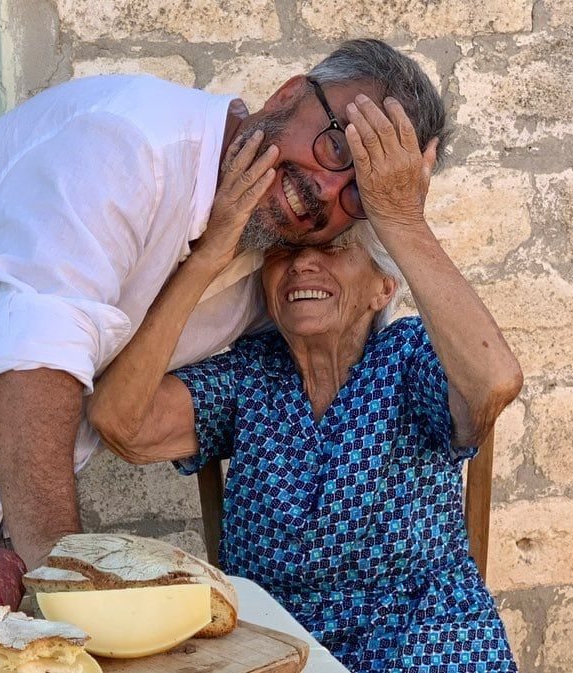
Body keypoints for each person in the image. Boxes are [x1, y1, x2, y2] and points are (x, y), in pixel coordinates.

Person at [0, 39, 447, 618]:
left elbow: (451, 387)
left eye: (360, 192)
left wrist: (402, 218)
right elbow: (37, 348)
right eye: (334, 149)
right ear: (287, 96)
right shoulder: (123, 143)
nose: (323, 189)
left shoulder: (277, 255)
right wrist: (64, 575)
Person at [86, 79, 522, 671]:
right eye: (285, 254)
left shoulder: (411, 358)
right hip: (279, 652)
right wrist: (213, 251)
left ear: (382, 286)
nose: (303, 264)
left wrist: (400, 218)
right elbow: (118, 421)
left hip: (423, 646)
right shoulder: (249, 378)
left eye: (337, 249)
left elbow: (492, 383)